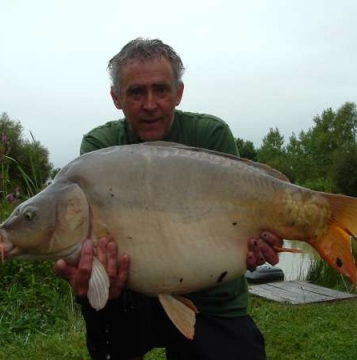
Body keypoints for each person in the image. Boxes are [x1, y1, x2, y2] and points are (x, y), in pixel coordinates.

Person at [55, 38, 283, 360]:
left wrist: (253, 244)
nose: (150, 104)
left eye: (161, 89)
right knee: (102, 302)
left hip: (211, 294)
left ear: (178, 93)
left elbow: (244, 222)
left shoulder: (211, 135)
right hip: (132, 291)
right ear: (116, 98)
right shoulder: (100, 148)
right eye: (136, 92)